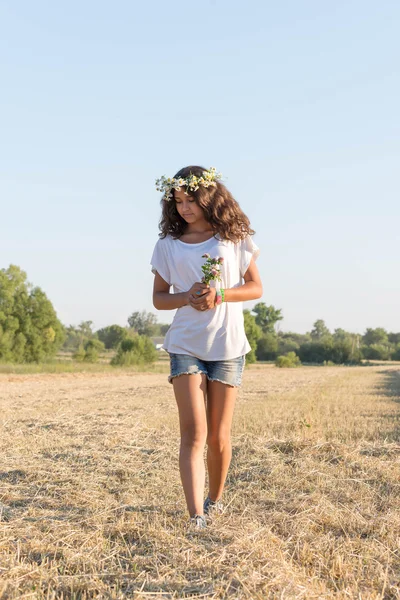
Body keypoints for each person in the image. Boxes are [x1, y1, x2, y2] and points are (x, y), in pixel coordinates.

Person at [151, 166, 263, 529]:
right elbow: (158, 299)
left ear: (209, 196)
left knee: (218, 436)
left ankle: (215, 500)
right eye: (178, 201)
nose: (184, 208)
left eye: (191, 200)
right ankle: (196, 515)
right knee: (194, 433)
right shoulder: (167, 245)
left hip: (228, 345)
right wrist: (187, 296)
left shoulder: (234, 237)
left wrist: (221, 294)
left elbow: (255, 287)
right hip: (185, 344)